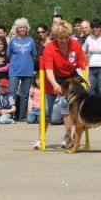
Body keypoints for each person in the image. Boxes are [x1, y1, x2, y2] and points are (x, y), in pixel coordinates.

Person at [33, 20, 88, 149]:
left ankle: (67, 137)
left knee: (67, 107)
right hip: (52, 79)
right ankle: (41, 138)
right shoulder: (49, 48)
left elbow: (83, 64)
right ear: (55, 37)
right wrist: (54, 84)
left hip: (69, 80)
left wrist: (87, 78)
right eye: (60, 38)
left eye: (66, 37)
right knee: (46, 110)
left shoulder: (75, 45)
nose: (64, 40)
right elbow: (49, 70)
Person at [7, 17, 37, 122]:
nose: (22, 29)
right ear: (17, 29)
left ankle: (22, 116)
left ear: (27, 28)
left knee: (24, 95)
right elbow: (9, 55)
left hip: (27, 71)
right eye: (20, 27)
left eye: (24, 27)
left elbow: (33, 55)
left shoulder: (31, 41)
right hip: (14, 71)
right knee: (12, 93)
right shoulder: (12, 41)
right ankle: (10, 114)